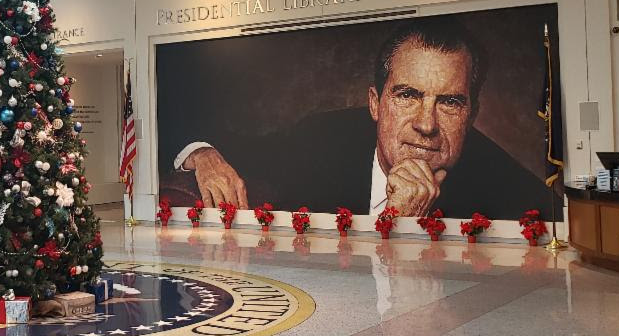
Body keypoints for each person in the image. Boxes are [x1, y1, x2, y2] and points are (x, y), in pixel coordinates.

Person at [158, 16, 550, 220]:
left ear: (472, 113)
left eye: (449, 102)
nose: (426, 124)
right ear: (376, 103)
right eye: (408, 96)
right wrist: (205, 155)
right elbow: (233, 146)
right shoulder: (322, 139)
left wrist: (406, 226)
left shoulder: (515, 195)